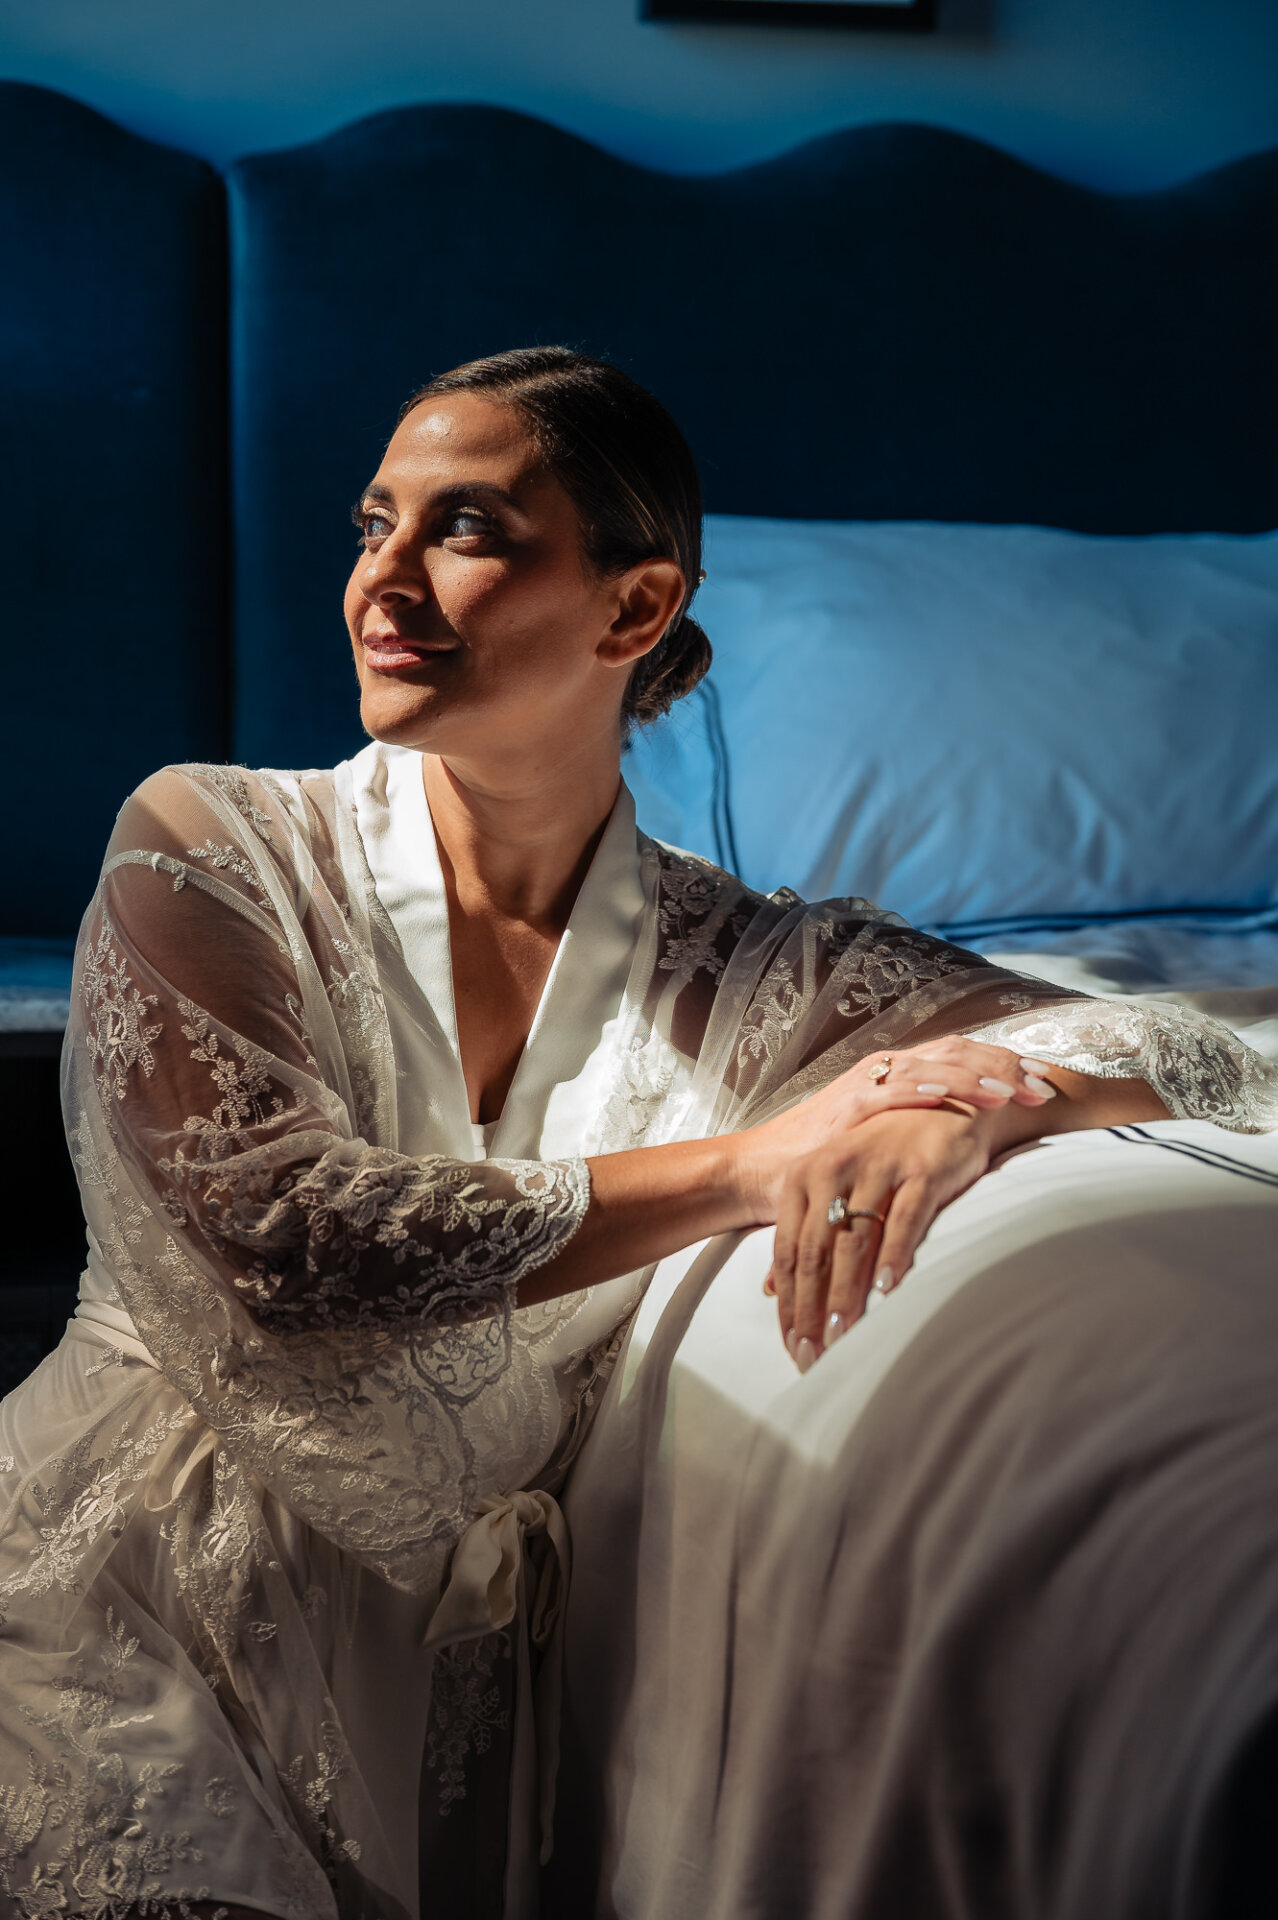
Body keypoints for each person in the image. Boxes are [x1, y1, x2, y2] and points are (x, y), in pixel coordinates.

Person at [0, 347, 1272, 1920]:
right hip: (141, 1626)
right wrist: (761, 1160)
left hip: (465, 1706)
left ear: (631, 608)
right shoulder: (209, 839)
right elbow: (283, 1241)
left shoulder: (753, 957)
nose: (381, 582)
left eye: (462, 530)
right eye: (371, 524)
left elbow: (1193, 1047)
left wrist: (956, 1106)